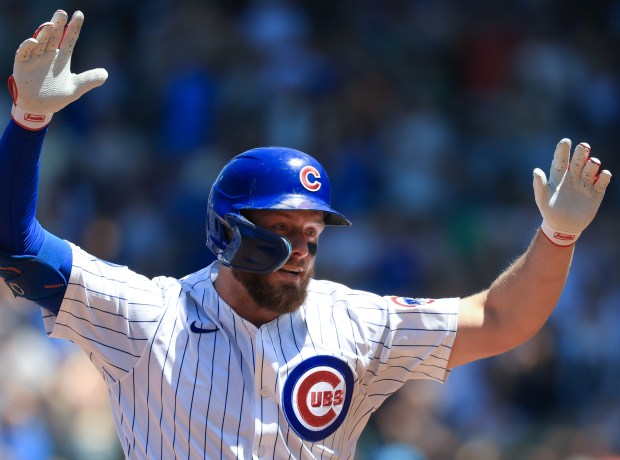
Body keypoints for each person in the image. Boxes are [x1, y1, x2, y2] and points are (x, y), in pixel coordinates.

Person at [0, 9, 612, 460]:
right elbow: (15, 247)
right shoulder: (147, 316)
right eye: (281, 230)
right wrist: (28, 123)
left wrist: (556, 237)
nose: (301, 251)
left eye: (312, 233)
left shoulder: (355, 322)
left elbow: (503, 319)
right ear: (227, 234)